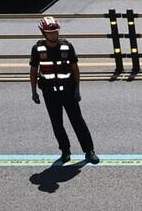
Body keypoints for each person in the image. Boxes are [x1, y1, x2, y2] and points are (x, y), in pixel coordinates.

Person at [29, 16, 98, 164]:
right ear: (43, 33)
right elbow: (34, 70)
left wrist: (78, 89)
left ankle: (89, 151)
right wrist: (33, 91)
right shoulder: (37, 49)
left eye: (55, 31)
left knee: (77, 121)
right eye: (50, 32)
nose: (54, 34)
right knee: (57, 123)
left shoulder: (67, 46)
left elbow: (74, 68)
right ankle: (65, 151)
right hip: (49, 92)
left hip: (68, 90)